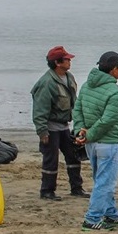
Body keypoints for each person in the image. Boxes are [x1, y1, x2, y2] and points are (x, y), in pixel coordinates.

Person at [73, 51, 118, 230]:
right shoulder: (114, 91)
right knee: (106, 182)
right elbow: (109, 119)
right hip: (107, 142)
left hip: (91, 143)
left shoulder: (85, 86)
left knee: (102, 179)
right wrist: (88, 134)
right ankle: (92, 218)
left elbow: (78, 111)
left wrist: (81, 132)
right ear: (113, 69)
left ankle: (111, 214)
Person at [30, 46, 87, 201]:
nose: (70, 61)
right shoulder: (47, 82)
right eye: (67, 59)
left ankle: (77, 188)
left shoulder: (69, 77)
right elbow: (39, 109)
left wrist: (80, 123)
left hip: (64, 126)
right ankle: (47, 191)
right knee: (51, 159)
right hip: (51, 127)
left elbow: (74, 103)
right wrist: (42, 132)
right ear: (57, 62)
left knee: (73, 156)